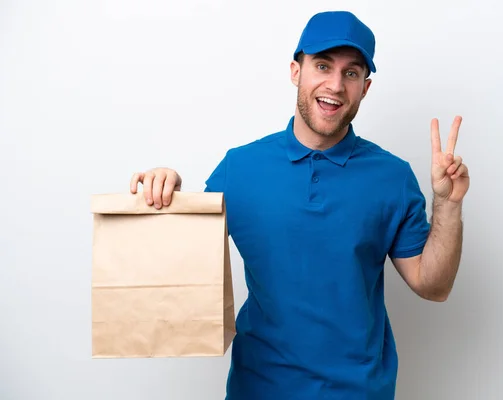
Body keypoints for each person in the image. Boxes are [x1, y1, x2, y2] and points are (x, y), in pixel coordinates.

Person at [130, 10, 469, 400]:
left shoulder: (392, 177)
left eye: (351, 73)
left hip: (359, 392)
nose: (336, 85)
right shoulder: (239, 169)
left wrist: (448, 205)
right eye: (322, 65)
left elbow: (434, 286)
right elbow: (179, 269)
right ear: (296, 71)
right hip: (258, 388)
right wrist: (166, 192)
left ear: (365, 88)